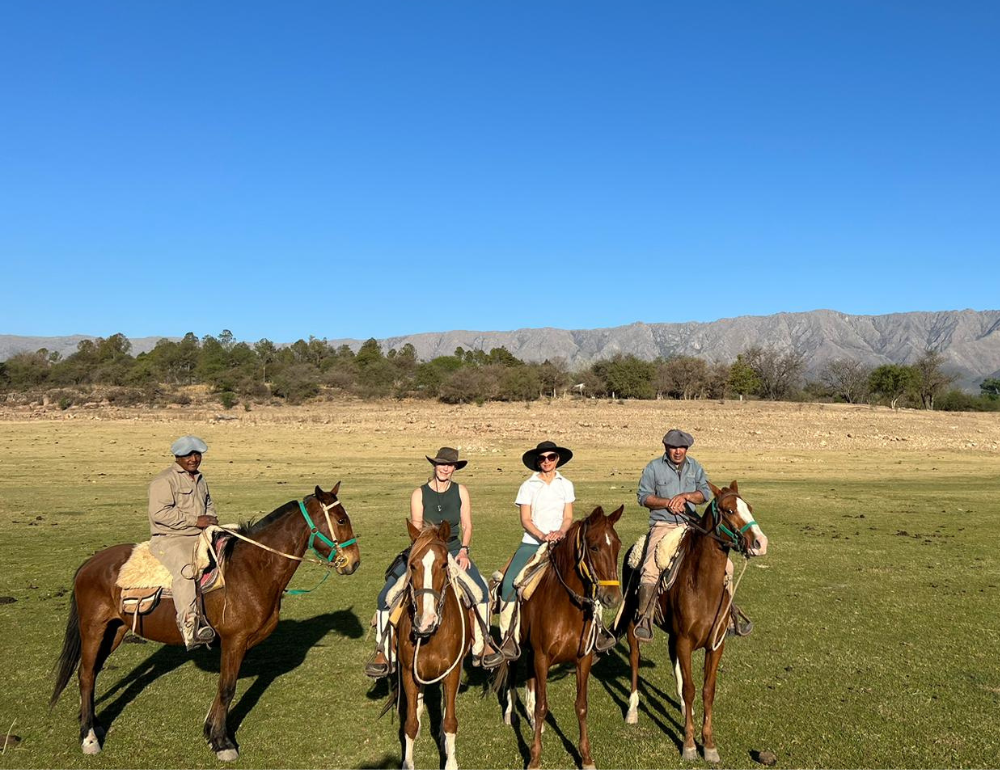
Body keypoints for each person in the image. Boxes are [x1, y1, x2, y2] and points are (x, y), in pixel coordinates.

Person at [364, 447, 502, 678]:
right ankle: (384, 651)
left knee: (481, 593)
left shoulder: (461, 491)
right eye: (441, 464)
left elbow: (467, 525)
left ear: (455, 468)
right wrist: (425, 548)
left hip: (455, 550)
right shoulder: (419, 493)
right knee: (385, 596)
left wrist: (465, 551)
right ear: (434, 465)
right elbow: (417, 526)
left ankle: (483, 646)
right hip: (423, 550)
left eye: (449, 465)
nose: (445, 468)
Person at [496, 440, 616, 659]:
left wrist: (560, 532)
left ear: (557, 459)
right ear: (537, 461)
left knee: (591, 577)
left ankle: (597, 631)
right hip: (532, 543)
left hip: (562, 543)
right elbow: (525, 519)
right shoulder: (528, 485)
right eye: (542, 458)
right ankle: (508, 639)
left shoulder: (565, 484)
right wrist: (543, 536)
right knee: (508, 584)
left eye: (551, 458)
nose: (546, 462)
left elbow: (568, 516)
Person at [634, 428, 749, 642]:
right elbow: (643, 497)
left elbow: (705, 493)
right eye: (673, 447)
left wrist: (686, 496)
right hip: (664, 524)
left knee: (728, 567)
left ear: (686, 448)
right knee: (650, 567)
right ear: (666, 447)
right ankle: (645, 617)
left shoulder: (695, 467)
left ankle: (729, 615)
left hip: (693, 525)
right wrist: (667, 502)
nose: (678, 451)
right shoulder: (654, 467)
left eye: (682, 447)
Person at [148, 435, 218, 649]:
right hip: (170, 538)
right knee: (187, 570)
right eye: (188, 455)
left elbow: (209, 505)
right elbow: (159, 513)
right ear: (177, 456)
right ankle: (189, 625)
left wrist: (211, 522)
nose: (194, 459)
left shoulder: (200, 479)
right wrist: (195, 521)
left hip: (200, 535)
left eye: (197, 454)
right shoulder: (164, 481)